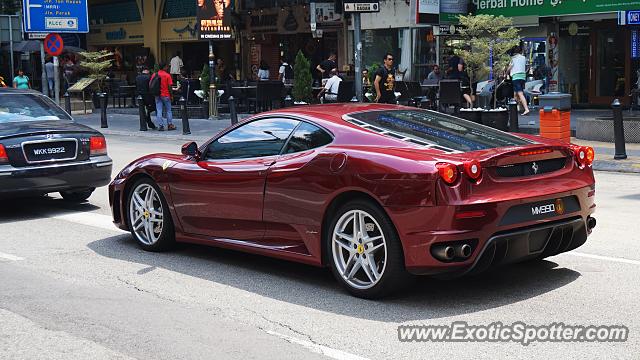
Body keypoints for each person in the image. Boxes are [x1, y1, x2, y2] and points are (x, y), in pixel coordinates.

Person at [151, 62, 176, 131]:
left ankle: (160, 125)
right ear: (164, 67)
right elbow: (170, 87)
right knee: (168, 110)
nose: (167, 68)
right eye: (167, 66)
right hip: (166, 95)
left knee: (159, 110)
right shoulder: (167, 75)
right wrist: (171, 95)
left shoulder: (154, 75)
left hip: (157, 95)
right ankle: (170, 124)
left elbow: (151, 84)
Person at [508, 46, 530, 115]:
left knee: (520, 94)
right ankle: (516, 109)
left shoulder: (513, 58)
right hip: (523, 77)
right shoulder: (523, 58)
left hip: (516, 77)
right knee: (515, 93)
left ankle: (526, 109)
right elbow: (527, 67)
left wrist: (506, 73)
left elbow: (510, 67)